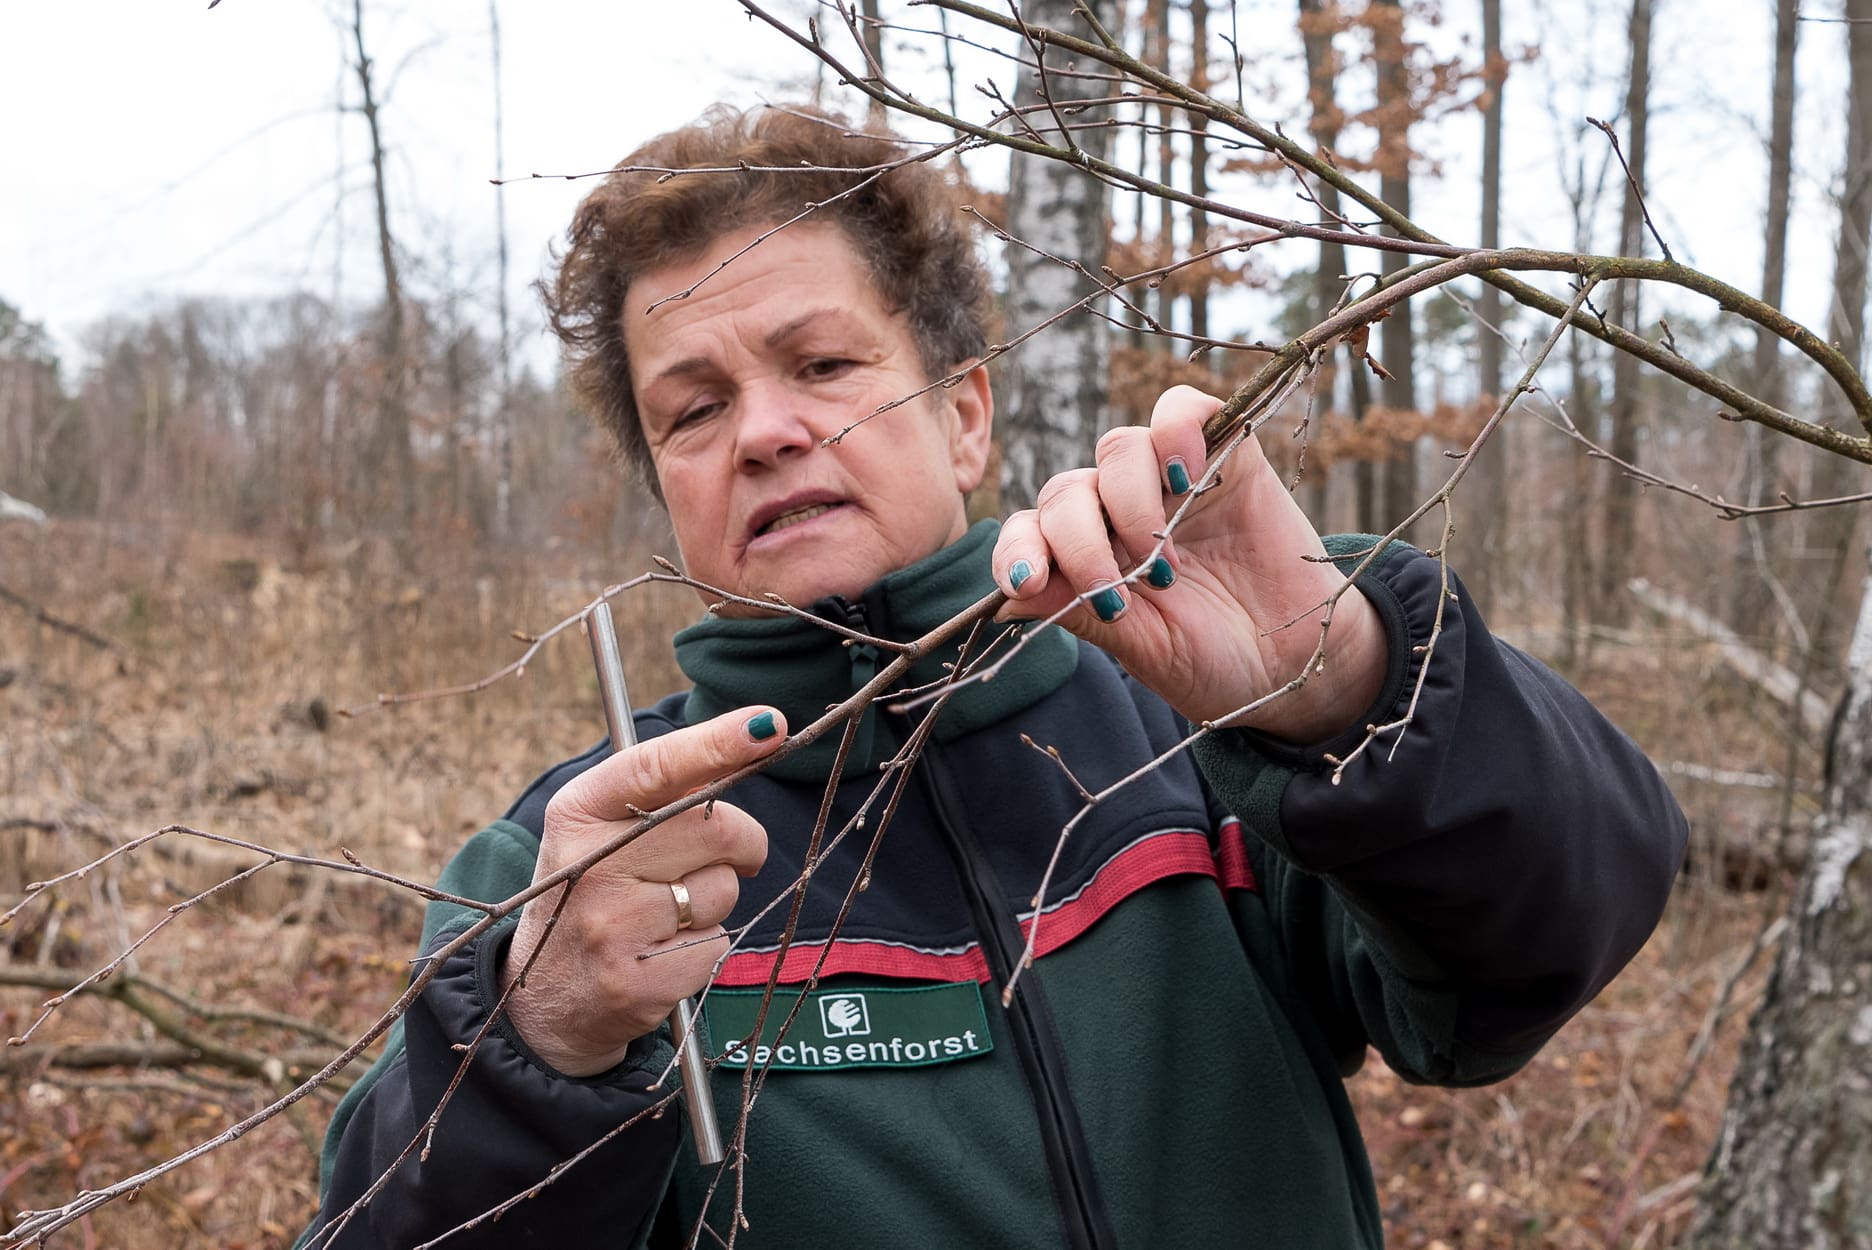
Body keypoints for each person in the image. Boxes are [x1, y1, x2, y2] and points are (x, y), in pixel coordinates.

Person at [303, 105, 1687, 1249]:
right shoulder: (581, 875)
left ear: (965, 415)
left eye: (824, 362)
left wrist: (1344, 695)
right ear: (664, 483)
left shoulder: (1199, 731)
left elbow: (1560, 936)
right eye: (696, 407)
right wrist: (539, 1046)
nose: (770, 431)